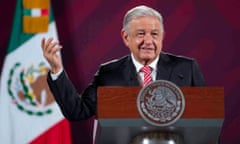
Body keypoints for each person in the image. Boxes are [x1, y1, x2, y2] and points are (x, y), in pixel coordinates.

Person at [41, 5, 205, 121]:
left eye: (155, 34)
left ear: (162, 37)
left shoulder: (187, 68)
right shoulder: (109, 73)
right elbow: (77, 111)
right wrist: (57, 69)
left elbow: (207, 120)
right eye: (141, 34)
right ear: (126, 37)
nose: (148, 41)